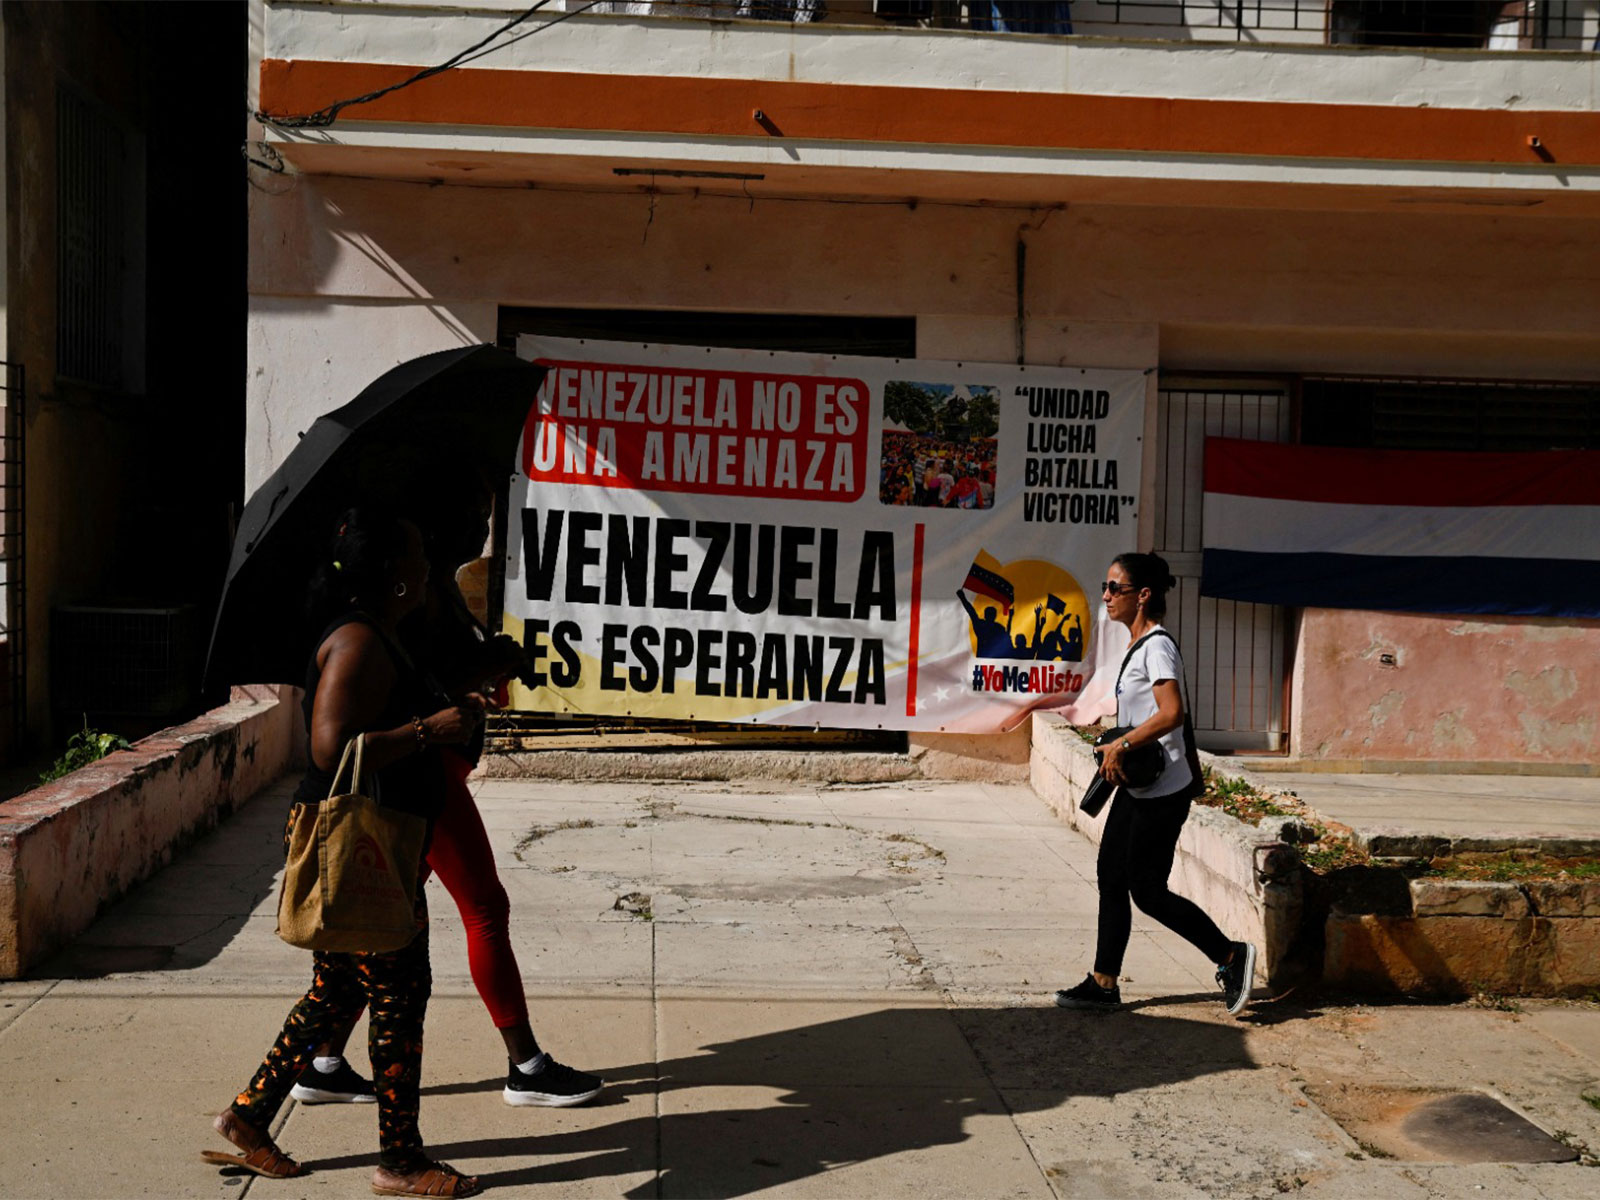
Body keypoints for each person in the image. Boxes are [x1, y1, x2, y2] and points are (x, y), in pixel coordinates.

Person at [291, 482, 603, 1110]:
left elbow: (422, 682)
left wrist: (481, 668)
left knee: (374, 932)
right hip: (417, 783)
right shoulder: (381, 619)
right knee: (480, 910)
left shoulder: (416, 601)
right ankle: (524, 1067)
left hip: (425, 777)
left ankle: (319, 1064)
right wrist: (436, 720)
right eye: (470, 516)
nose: (480, 531)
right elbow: (340, 741)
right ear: (408, 553)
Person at [204, 509, 484, 1195]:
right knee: (399, 992)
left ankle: (247, 1117)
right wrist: (429, 730)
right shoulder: (359, 641)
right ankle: (402, 1160)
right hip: (365, 848)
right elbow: (331, 748)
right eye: (417, 551)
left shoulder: (386, 632)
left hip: (381, 840)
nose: (427, 564)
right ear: (391, 576)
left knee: (337, 990)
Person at [1055, 551, 1257, 1017]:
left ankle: (1231, 956)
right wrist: (1116, 743)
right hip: (1138, 784)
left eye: (1114, 588)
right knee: (1111, 874)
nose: (1105, 596)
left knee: (1146, 891)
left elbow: (1172, 714)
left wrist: (1122, 744)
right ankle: (1104, 982)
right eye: (1104, 587)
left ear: (1142, 595)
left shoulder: (1158, 645)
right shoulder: (1138, 645)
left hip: (1164, 790)